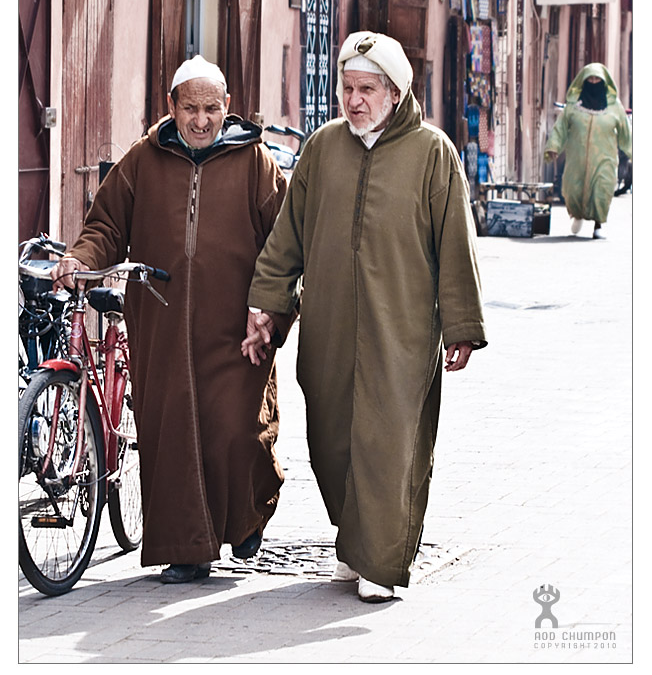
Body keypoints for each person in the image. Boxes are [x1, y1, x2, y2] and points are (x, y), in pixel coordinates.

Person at [241, 32, 487, 603]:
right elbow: (288, 237)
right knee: (332, 441)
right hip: (327, 329)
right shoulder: (324, 148)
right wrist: (267, 304)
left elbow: (456, 244)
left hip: (400, 330)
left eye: (366, 89)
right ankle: (354, 543)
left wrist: (462, 326)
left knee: (388, 443)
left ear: (395, 93)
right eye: (347, 88)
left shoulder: (433, 153)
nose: (354, 100)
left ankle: (380, 561)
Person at [52, 55, 292, 584]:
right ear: (172, 107)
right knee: (173, 432)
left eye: (211, 108)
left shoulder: (254, 161)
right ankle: (186, 550)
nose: (201, 120)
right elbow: (106, 225)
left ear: (226, 108)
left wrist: (272, 310)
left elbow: (285, 242)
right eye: (190, 109)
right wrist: (82, 259)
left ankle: (247, 515)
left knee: (236, 429)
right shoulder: (143, 158)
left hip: (238, 326)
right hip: (160, 324)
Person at [544, 62, 632, 239]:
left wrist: (631, 152)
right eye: (590, 79)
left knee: (602, 189)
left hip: (604, 160)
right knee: (572, 190)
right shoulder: (573, 106)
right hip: (577, 159)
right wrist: (553, 146)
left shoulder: (614, 107)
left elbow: (625, 130)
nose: (593, 82)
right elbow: (560, 127)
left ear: (604, 82)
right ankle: (576, 215)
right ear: (583, 82)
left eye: (597, 79)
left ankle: (599, 223)